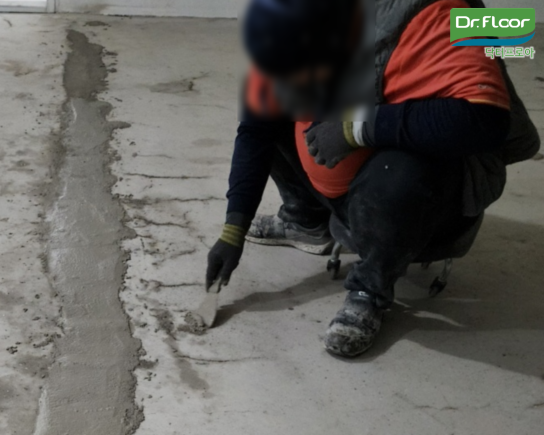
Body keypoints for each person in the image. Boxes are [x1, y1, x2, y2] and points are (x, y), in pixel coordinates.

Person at [205, 0, 540, 357]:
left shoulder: (439, 11)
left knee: (399, 171)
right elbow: (256, 127)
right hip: (347, 190)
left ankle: (371, 287)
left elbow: (483, 120)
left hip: (421, 198)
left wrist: (357, 129)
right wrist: (233, 229)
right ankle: (305, 220)